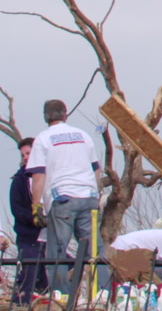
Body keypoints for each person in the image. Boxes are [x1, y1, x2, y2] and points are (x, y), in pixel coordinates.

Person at [27, 99, 104, 297]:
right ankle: (102, 296)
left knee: (57, 252)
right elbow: (96, 170)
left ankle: (62, 297)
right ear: (65, 114)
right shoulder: (83, 136)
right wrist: (97, 195)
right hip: (88, 197)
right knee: (94, 251)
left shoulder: (43, 139)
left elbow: (38, 176)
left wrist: (37, 206)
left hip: (63, 199)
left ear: (45, 117)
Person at [10, 138, 46, 303]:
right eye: (23, 154)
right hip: (29, 237)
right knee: (27, 278)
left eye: (28, 153)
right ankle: (21, 305)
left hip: (49, 237)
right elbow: (17, 209)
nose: (25, 157)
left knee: (53, 273)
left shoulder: (48, 175)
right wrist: (35, 219)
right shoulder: (19, 180)